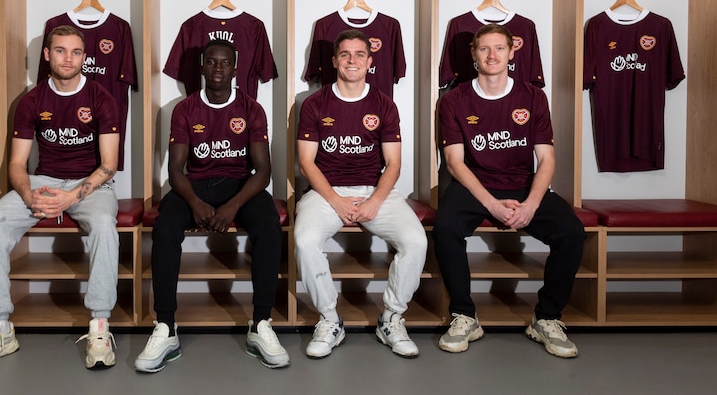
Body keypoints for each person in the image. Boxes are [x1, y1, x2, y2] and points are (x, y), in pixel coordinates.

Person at [0, 25, 121, 370]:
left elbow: (110, 165)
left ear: (85, 57)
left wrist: (71, 198)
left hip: (90, 184)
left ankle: (100, 325)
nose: (68, 58)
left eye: (76, 52)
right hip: (43, 180)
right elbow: (17, 164)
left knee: (106, 224)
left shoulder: (101, 98)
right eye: (60, 51)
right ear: (47, 55)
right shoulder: (32, 101)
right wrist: (29, 194)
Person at [135, 39, 288, 372]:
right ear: (202, 66)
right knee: (165, 226)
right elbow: (176, 170)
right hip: (195, 185)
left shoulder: (251, 109)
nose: (218, 69)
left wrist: (232, 207)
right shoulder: (185, 109)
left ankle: (261, 324)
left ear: (235, 69)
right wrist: (195, 203)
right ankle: (165, 326)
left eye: (225, 64)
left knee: (268, 225)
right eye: (212, 63)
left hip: (240, 187)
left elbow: (263, 171)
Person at [433, 23, 585, 358]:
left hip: (522, 182)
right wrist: (491, 205)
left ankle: (546, 318)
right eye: (484, 49)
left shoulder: (532, 96)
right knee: (444, 227)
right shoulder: (454, 99)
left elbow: (546, 159)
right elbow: (455, 162)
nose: (492, 55)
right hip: (474, 185)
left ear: (512, 52)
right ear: (473, 54)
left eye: (499, 48)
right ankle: (465, 316)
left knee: (572, 231)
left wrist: (531, 204)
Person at [294, 28, 427, 359]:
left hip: (374, 189)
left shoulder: (384, 104)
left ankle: (391, 318)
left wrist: (375, 201)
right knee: (305, 241)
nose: (352, 61)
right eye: (345, 55)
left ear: (370, 61)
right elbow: (306, 163)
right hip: (326, 192)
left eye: (359, 55)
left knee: (417, 241)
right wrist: (336, 200)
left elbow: (393, 164)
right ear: (335, 60)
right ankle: (330, 319)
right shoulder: (314, 103)